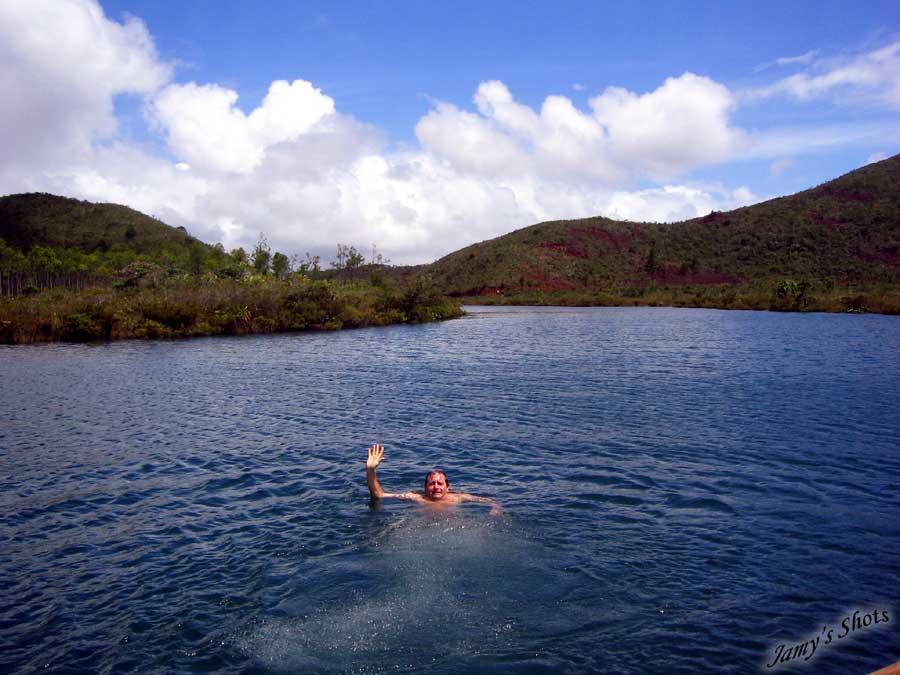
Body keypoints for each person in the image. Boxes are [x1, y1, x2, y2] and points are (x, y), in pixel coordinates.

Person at [365, 443, 502, 513]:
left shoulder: (458, 498)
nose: (436, 486)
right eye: (432, 484)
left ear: (447, 487)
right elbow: (379, 495)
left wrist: (495, 506)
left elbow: (487, 501)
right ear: (425, 488)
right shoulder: (416, 497)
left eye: (440, 483)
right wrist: (370, 469)